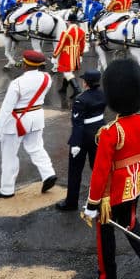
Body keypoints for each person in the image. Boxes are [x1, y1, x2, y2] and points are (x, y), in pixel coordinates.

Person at [82, 59, 140, 279]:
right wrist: (133, 162)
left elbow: (100, 170)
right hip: (135, 183)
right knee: (130, 221)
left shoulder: (110, 131)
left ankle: (107, 276)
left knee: (105, 234)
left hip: (111, 192)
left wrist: (92, 203)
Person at [0, 50, 57, 198]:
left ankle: (7, 189)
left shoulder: (17, 83)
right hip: (37, 117)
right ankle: (48, 174)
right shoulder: (47, 78)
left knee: (9, 155)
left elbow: (6, 109)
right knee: (36, 147)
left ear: (25, 65)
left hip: (17, 121)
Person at [55, 69, 106, 211]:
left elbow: (77, 123)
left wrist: (76, 143)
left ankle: (71, 202)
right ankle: (100, 201)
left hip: (83, 137)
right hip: (99, 134)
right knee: (97, 170)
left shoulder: (80, 99)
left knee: (75, 171)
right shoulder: (103, 94)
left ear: (85, 83)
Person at [53, 14, 87, 97]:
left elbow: (61, 45)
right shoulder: (81, 31)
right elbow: (82, 44)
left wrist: (55, 55)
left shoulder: (66, 32)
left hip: (67, 54)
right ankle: (64, 88)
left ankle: (77, 89)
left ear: (69, 22)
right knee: (68, 71)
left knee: (67, 72)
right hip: (76, 54)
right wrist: (81, 53)